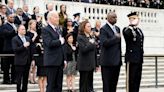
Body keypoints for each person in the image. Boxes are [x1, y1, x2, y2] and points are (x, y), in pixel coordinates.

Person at [42, 11, 66, 92]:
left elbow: (62, 46)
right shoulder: (45, 29)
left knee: (59, 85)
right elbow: (49, 43)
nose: (58, 18)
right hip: (51, 62)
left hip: (59, 61)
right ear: (50, 18)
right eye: (56, 17)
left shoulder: (58, 29)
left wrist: (64, 59)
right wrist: (60, 41)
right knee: (51, 85)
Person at [100, 12, 122, 92]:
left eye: (116, 17)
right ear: (108, 18)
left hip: (116, 62)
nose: (115, 19)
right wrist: (115, 38)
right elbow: (104, 43)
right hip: (107, 62)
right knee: (107, 85)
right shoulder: (103, 29)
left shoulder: (117, 28)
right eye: (113, 17)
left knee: (114, 85)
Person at [122, 12, 144, 92]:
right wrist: (131, 25)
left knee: (137, 80)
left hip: (139, 59)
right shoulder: (127, 29)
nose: (137, 20)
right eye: (135, 19)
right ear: (131, 19)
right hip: (131, 59)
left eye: (137, 19)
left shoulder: (139, 30)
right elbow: (127, 34)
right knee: (131, 80)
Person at [77, 20, 98, 92]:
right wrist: (90, 42)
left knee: (90, 85)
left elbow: (95, 51)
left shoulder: (91, 37)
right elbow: (83, 49)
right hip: (84, 65)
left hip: (91, 64)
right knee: (84, 85)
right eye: (88, 26)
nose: (90, 28)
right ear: (84, 28)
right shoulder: (80, 37)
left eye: (90, 26)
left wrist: (96, 64)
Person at [12, 25, 31, 92]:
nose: (24, 30)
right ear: (19, 30)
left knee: (25, 79)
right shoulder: (15, 39)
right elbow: (15, 50)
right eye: (22, 29)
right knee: (19, 79)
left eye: (25, 29)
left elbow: (30, 50)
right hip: (19, 62)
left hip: (27, 61)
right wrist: (23, 46)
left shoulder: (28, 38)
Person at [2, 13, 17, 84]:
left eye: (13, 17)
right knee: (6, 66)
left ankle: (14, 79)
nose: (12, 18)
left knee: (14, 65)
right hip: (7, 48)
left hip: (15, 48)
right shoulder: (4, 26)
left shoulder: (16, 25)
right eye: (11, 17)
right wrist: (15, 30)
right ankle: (6, 79)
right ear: (7, 18)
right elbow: (6, 34)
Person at [26, 20, 38, 84]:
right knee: (31, 65)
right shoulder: (28, 32)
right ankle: (30, 79)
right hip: (30, 49)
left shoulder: (36, 31)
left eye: (35, 24)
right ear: (30, 25)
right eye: (33, 24)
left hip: (35, 49)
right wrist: (34, 36)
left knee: (35, 66)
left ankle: (34, 78)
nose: (35, 25)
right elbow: (30, 41)